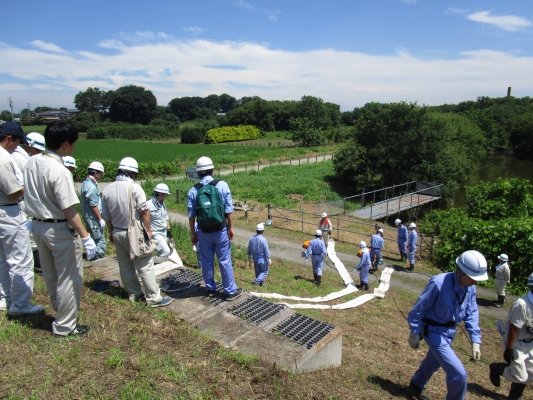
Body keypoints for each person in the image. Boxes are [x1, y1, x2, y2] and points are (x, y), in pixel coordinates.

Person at [23, 121, 97, 337]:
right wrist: (85, 236)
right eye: (73, 143)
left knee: (50, 274)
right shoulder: (60, 170)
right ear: (65, 144)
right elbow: (68, 209)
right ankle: (65, 326)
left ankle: (60, 311)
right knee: (69, 277)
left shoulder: (32, 161)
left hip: (37, 225)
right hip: (58, 229)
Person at [407, 250, 488, 400]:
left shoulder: (470, 288)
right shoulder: (438, 283)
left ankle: (416, 384)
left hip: (449, 333)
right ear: (460, 271)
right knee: (458, 374)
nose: (476, 282)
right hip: (433, 331)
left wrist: (475, 340)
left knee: (434, 360)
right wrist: (414, 332)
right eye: (473, 278)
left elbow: (472, 312)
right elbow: (419, 308)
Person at [101, 157, 172, 308]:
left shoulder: (107, 189)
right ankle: (154, 298)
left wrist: (111, 232)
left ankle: (134, 294)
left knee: (125, 265)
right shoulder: (134, 188)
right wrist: (149, 231)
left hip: (117, 231)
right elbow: (144, 212)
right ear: (133, 174)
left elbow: (106, 216)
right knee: (145, 264)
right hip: (134, 232)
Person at [0, 122, 44, 315]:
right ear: (8, 139)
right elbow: (12, 192)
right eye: (16, 142)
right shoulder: (3, 159)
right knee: (21, 259)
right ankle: (20, 304)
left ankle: (5, 298)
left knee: (3, 259)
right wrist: (30, 188)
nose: (17, 147)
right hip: (8, 211)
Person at [187, 156, 242, 301]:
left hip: (203, 232)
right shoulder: (222, 185)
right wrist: (231, 227)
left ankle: (210, 289)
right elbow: (229, 209)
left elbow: (191, 215)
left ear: (198, 173)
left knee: (206, 261)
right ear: (212, 170)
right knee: (224, 260)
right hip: (220, 230)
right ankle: (230, 291)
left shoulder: (193, 190)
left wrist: (193, 233)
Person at [489, 272, 533, 400]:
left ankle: (514, 396)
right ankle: (497, 368)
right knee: (520, 376)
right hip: (516, 342)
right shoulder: (522, 304)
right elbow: (513, 328)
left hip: (529, 343)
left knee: (530, 372)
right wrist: (509, 349)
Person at [10, 131, 46, 272]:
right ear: (29, 146)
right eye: (37, 150)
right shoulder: (23, 160)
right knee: (31, 236)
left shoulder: (16, 156)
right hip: (24, 200)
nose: (38, 154)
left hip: (21, 201)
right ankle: (37, 265)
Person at [80, 161, 106, 260]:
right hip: (93, 217)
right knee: (99, 240)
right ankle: (97, 259)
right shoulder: (91, 186)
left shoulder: (86, 183)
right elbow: (93, 205)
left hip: (89, 216)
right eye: (100, 174)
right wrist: (100, 218)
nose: (100, 176)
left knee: (94, 238)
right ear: (96, 173)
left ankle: (93, 256)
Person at [147, 183, 172, 258]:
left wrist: (169, 232)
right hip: (155, 233)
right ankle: (160, 266)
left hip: (163, 232)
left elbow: (166, 218)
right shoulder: (148, 205)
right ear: (162, 194)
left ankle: (160, 265)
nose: (166, 196)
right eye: (166, 195)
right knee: (165, 251)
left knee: (165, 251)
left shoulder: (162, 204)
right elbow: (144, 220)